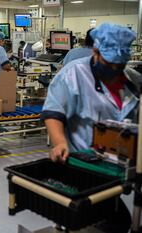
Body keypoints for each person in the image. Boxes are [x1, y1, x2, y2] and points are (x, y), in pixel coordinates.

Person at [42, 23, 139, 233]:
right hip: (84, 161)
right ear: (96, 51)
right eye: (110, 63)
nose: (115, 69)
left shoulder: (132, 79)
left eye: (119, 64)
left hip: (119, 164)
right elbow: (53, 111)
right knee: (106, 219)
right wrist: (59, 142)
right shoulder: (75, 73)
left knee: (117, 219)